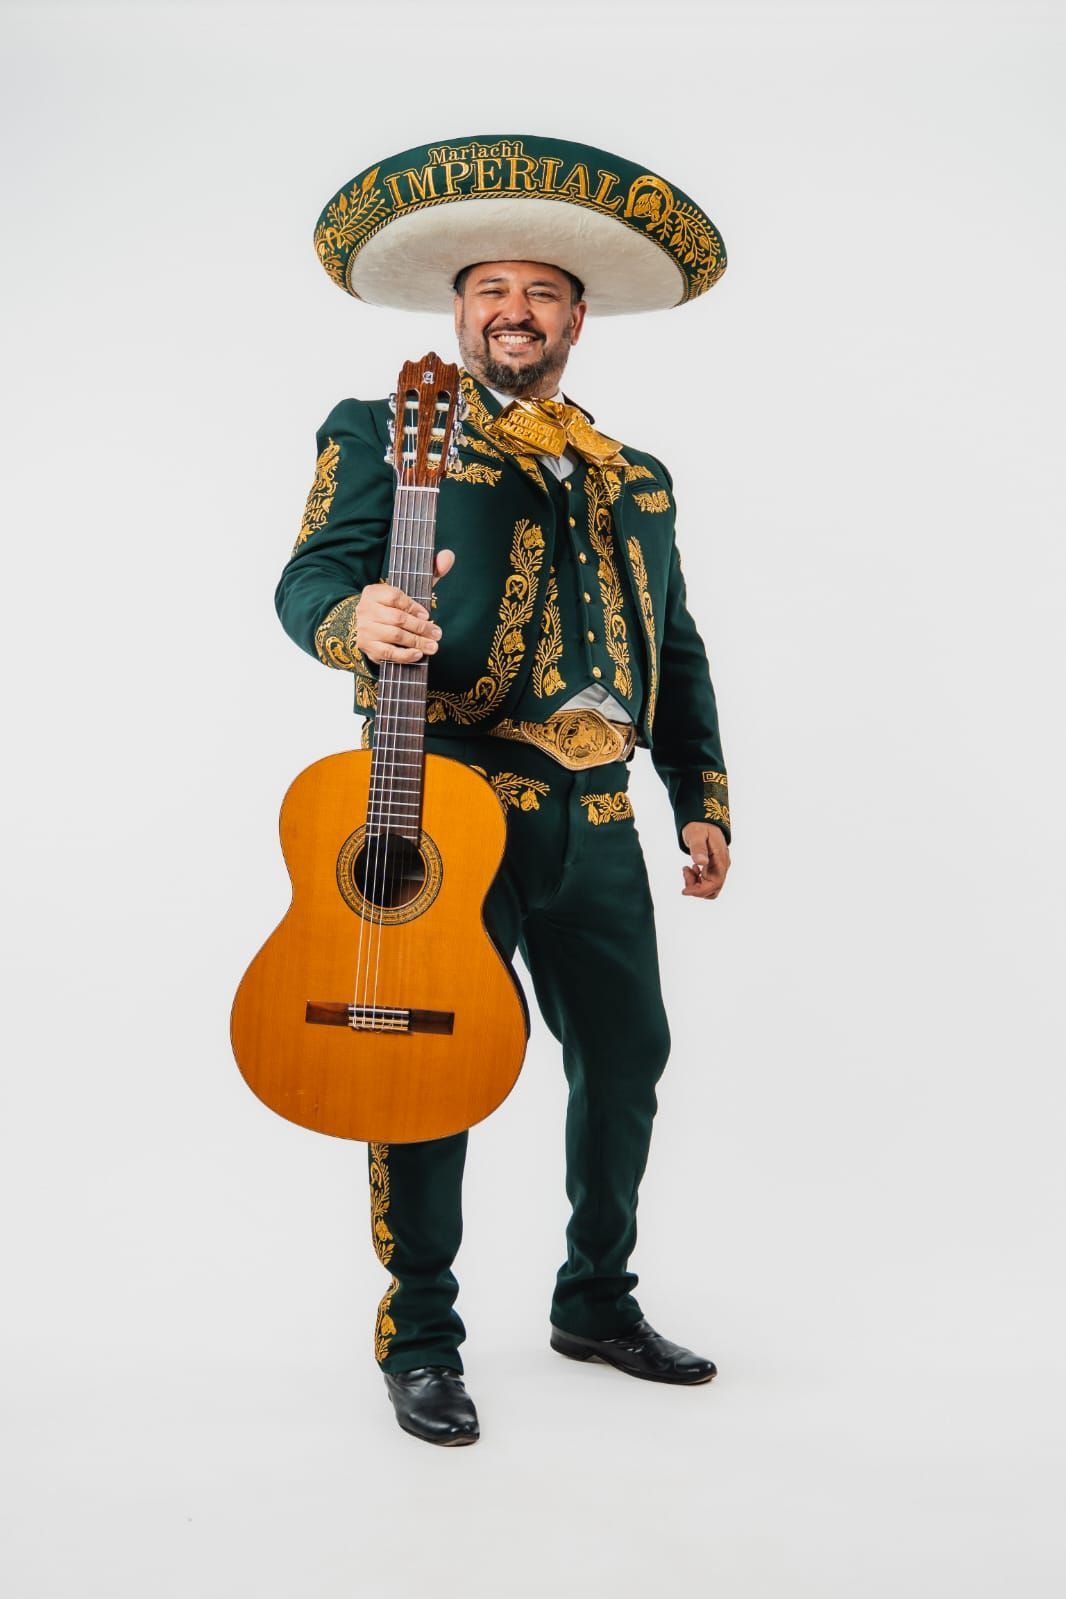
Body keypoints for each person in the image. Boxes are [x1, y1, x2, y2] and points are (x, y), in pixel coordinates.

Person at [275, 135, 732, 1446]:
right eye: (489, 290)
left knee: (625, 1057)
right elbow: (309, 575)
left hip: (592, 821)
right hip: (439, 807)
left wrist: (698, 792)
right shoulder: (382, 432)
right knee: (422, 1062)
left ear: (576, 316)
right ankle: (419, 1337)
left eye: (539, 292)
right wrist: (351, 617)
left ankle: (595, 1301)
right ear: (456, 310)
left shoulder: (632, 475)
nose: (513, 311)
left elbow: (674, 646)